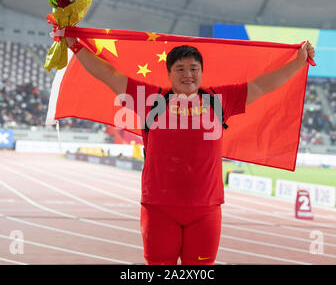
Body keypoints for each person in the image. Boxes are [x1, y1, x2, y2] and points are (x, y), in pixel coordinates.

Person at [65, 36, 315, 265]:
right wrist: (75, 44)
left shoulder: (218, 101)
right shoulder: (151, 99)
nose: (188, 75)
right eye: (180, 69)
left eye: (194, 69)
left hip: (206, 210)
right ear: (169, 73)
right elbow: (108, 74)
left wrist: (298, 62)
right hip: (159, 209)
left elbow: (261, 86)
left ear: (202, 72)